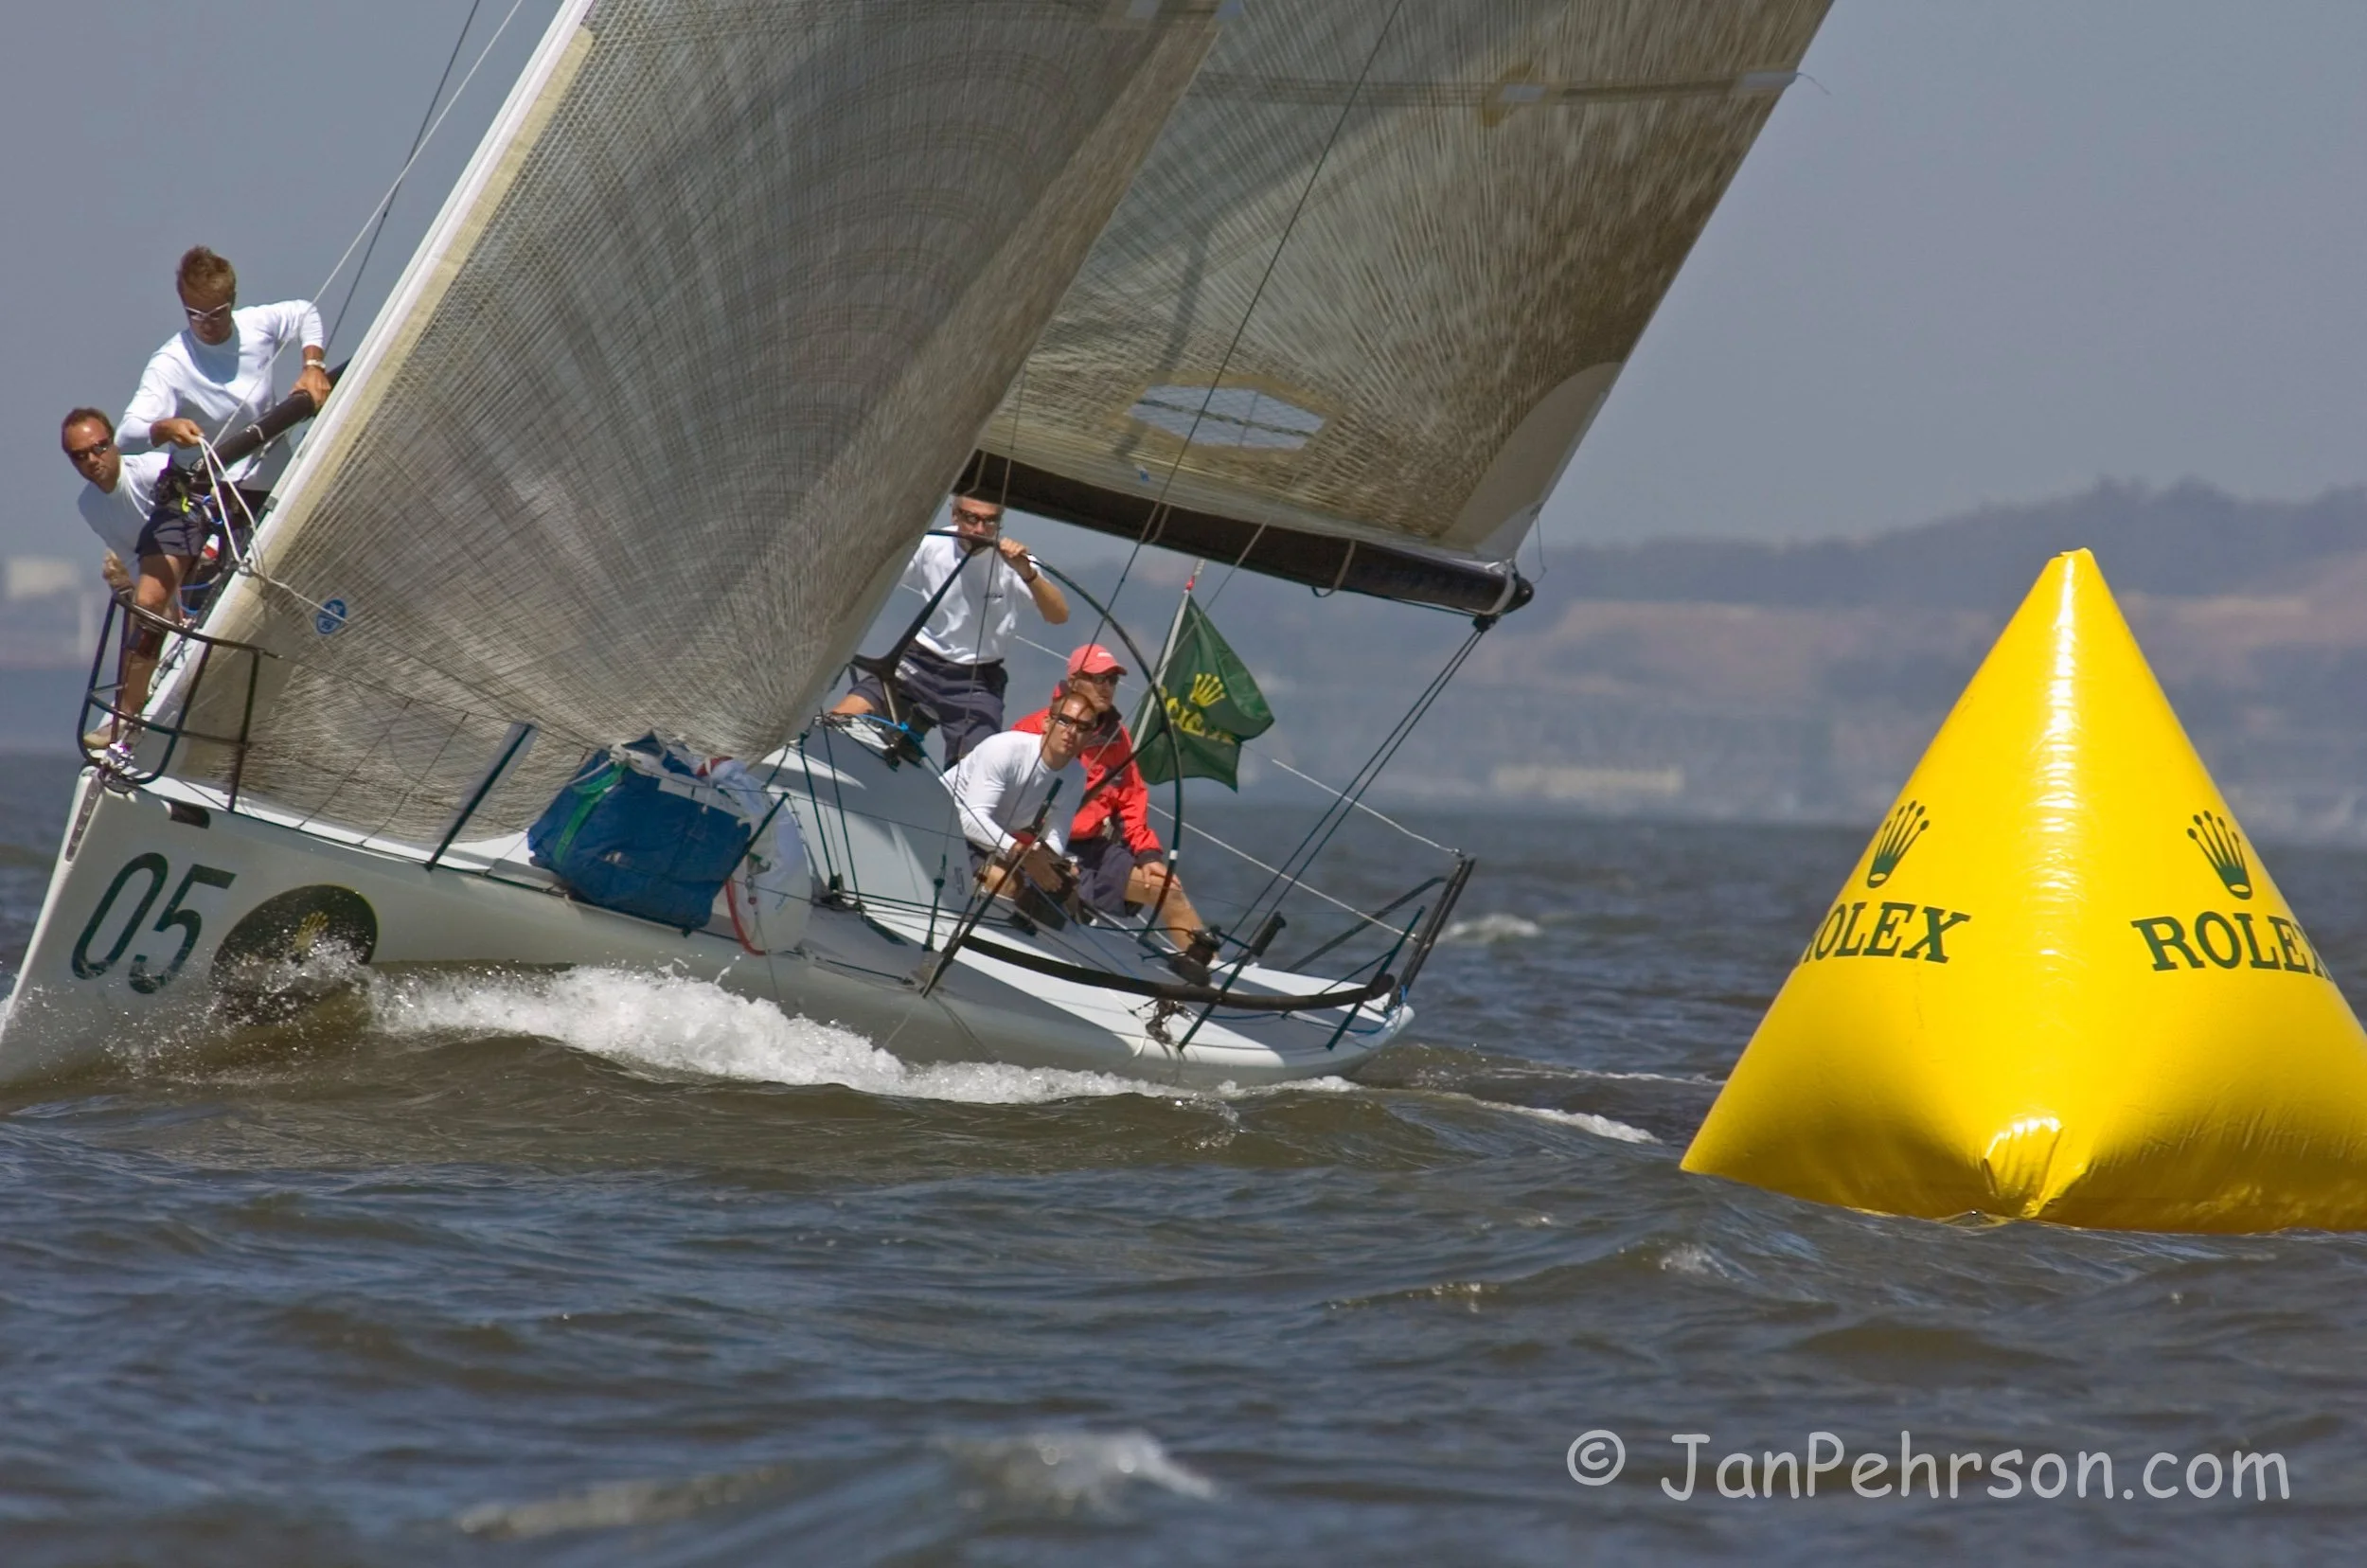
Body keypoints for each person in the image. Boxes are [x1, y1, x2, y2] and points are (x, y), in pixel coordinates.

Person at [1010, 644, 1214, 967]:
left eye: (1113, 680)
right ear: (1074, 680)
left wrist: (1148, 855)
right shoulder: (1033, 728)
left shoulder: (1117, 737)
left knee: (1168, 891)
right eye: (1099, 679)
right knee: (1047, 896)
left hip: (1092, 848)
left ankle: (1206, 980)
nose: (1107, 687)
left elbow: (1132, 797)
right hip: (1037, 845)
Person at [832, 494, 1068, 764]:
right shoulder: (932, 544)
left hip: (976, 681)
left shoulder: (1014, 561)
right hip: (918, 662)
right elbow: (877, 581)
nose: (980, 530)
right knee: (840, 720)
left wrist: (1028, 573)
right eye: (971, 518)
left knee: (976, 768)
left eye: (991, 521)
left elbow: (1059, 615)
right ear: (954, 515)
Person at [121, 245, 330, 537]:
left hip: (273, 481)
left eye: (216, 314)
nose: (205, 324)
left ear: (232, 300)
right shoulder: (170, 363)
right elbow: (125, 437)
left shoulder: (255, 325)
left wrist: (313, 366)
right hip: (209, 493)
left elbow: (304, 312)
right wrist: (164, 428)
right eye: (194, 314)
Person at [62, 408, 172, 744]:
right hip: (155, 581)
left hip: (201, 561)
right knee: (135, 601)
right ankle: (128, 708)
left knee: (146, 604)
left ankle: (127, 711)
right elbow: (130, 556)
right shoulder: (89, 505)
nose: (93, 460)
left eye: (100, 447)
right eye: (80, 456)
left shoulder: (151, 470)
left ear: (114, 443)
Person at [944, 691, 1099, 909]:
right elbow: (971, 819)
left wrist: (1051, 864)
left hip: (990, 839)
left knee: (1062, 894)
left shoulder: (1076, 775)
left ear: (1090, 738)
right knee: (1006, 884)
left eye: (1082, 728)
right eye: (1064, 720)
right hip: (944, 821)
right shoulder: (1005, 749)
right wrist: (1023, 855)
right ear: (1047, 722)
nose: (1071, 732)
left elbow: (1057, 835)